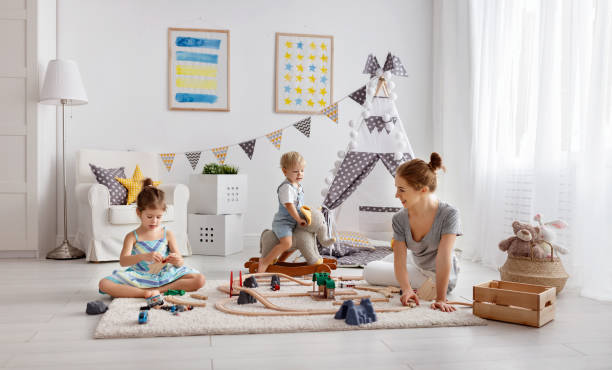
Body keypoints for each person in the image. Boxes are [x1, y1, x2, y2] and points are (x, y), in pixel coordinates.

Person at [364, 153, 462, 312]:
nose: (396, 195)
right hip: (416, 261)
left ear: (423, 190)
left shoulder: (449, 214)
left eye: (401, 189)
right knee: (388, 261)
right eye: (396, 188)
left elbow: (444, 257)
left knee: (370, 270)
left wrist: (441, 299)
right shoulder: (399, 218)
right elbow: (399, 259)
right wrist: (407, 289)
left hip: (435, 276)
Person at [98, 178, 205, 298]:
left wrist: (176, 260)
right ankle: (145, 292)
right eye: (149, 216)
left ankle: (158, 290)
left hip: (164, 274)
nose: (154, 221)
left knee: (199, 279)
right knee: (104, 284)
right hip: (139, 276)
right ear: (139, 213)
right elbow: (123, 261)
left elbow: (180, 261)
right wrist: (144, 256)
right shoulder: (132, 237)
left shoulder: (168, 234)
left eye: (159, 217)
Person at [258, 151, 307, 273]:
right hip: (284, 222)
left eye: (302, 170)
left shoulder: (298, 186)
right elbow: (290, 206)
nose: (300, 174)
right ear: (285, 171)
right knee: (287, 243)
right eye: (296, 171)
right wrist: (299, 219)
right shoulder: (286, 188)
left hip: (294, 220)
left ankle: (281, 261)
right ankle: (265, 261)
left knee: (297, 242)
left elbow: (300, 206)